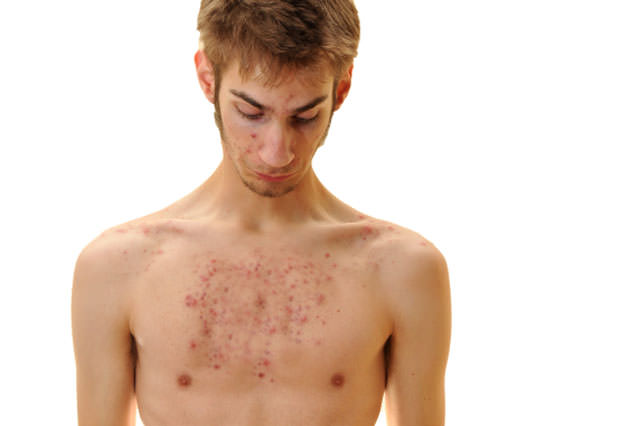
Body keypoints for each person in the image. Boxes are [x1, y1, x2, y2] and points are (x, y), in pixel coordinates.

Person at [71, 1, 452, 425]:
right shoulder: (120, 266)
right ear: (206, 78)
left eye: (305, 116)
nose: (277, 152)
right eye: (252, 113)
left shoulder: (400, 269)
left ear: (341, 91)